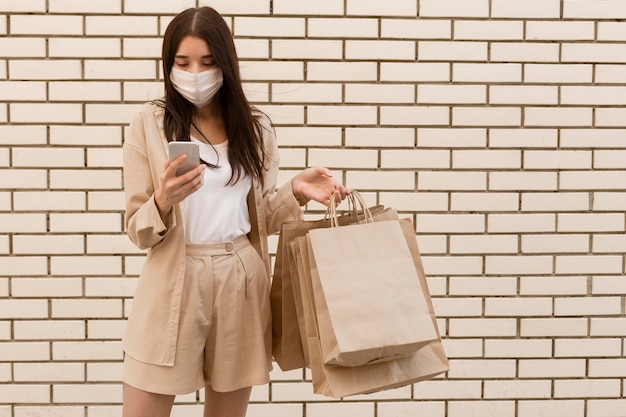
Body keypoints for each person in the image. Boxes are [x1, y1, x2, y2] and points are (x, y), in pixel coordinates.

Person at [121, 6, 347, 417]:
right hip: (175, 276)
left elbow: (257, 220)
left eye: (207, 62)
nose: (195, 72)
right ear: (168, 64)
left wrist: (294, 191)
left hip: (241, 276)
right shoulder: (149, 123)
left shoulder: (255, 128)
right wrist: (164, 199)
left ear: (225, 63)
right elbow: (138, 230)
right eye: (182, 62)